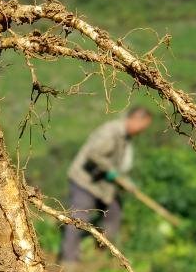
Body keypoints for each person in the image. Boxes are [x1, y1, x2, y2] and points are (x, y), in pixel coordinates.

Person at [60, 106, 152, 261]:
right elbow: (93, 154)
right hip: (85, 181)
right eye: (143, 126)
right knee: (79, 219)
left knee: (114, 212)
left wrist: (124, 180)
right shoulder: (111, 132)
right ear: (136, 119)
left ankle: (102, 252)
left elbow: (118, 163)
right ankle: (69, 261)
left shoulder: (126, 137)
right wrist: (112, 172)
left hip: (103, 184)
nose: (143, 131)